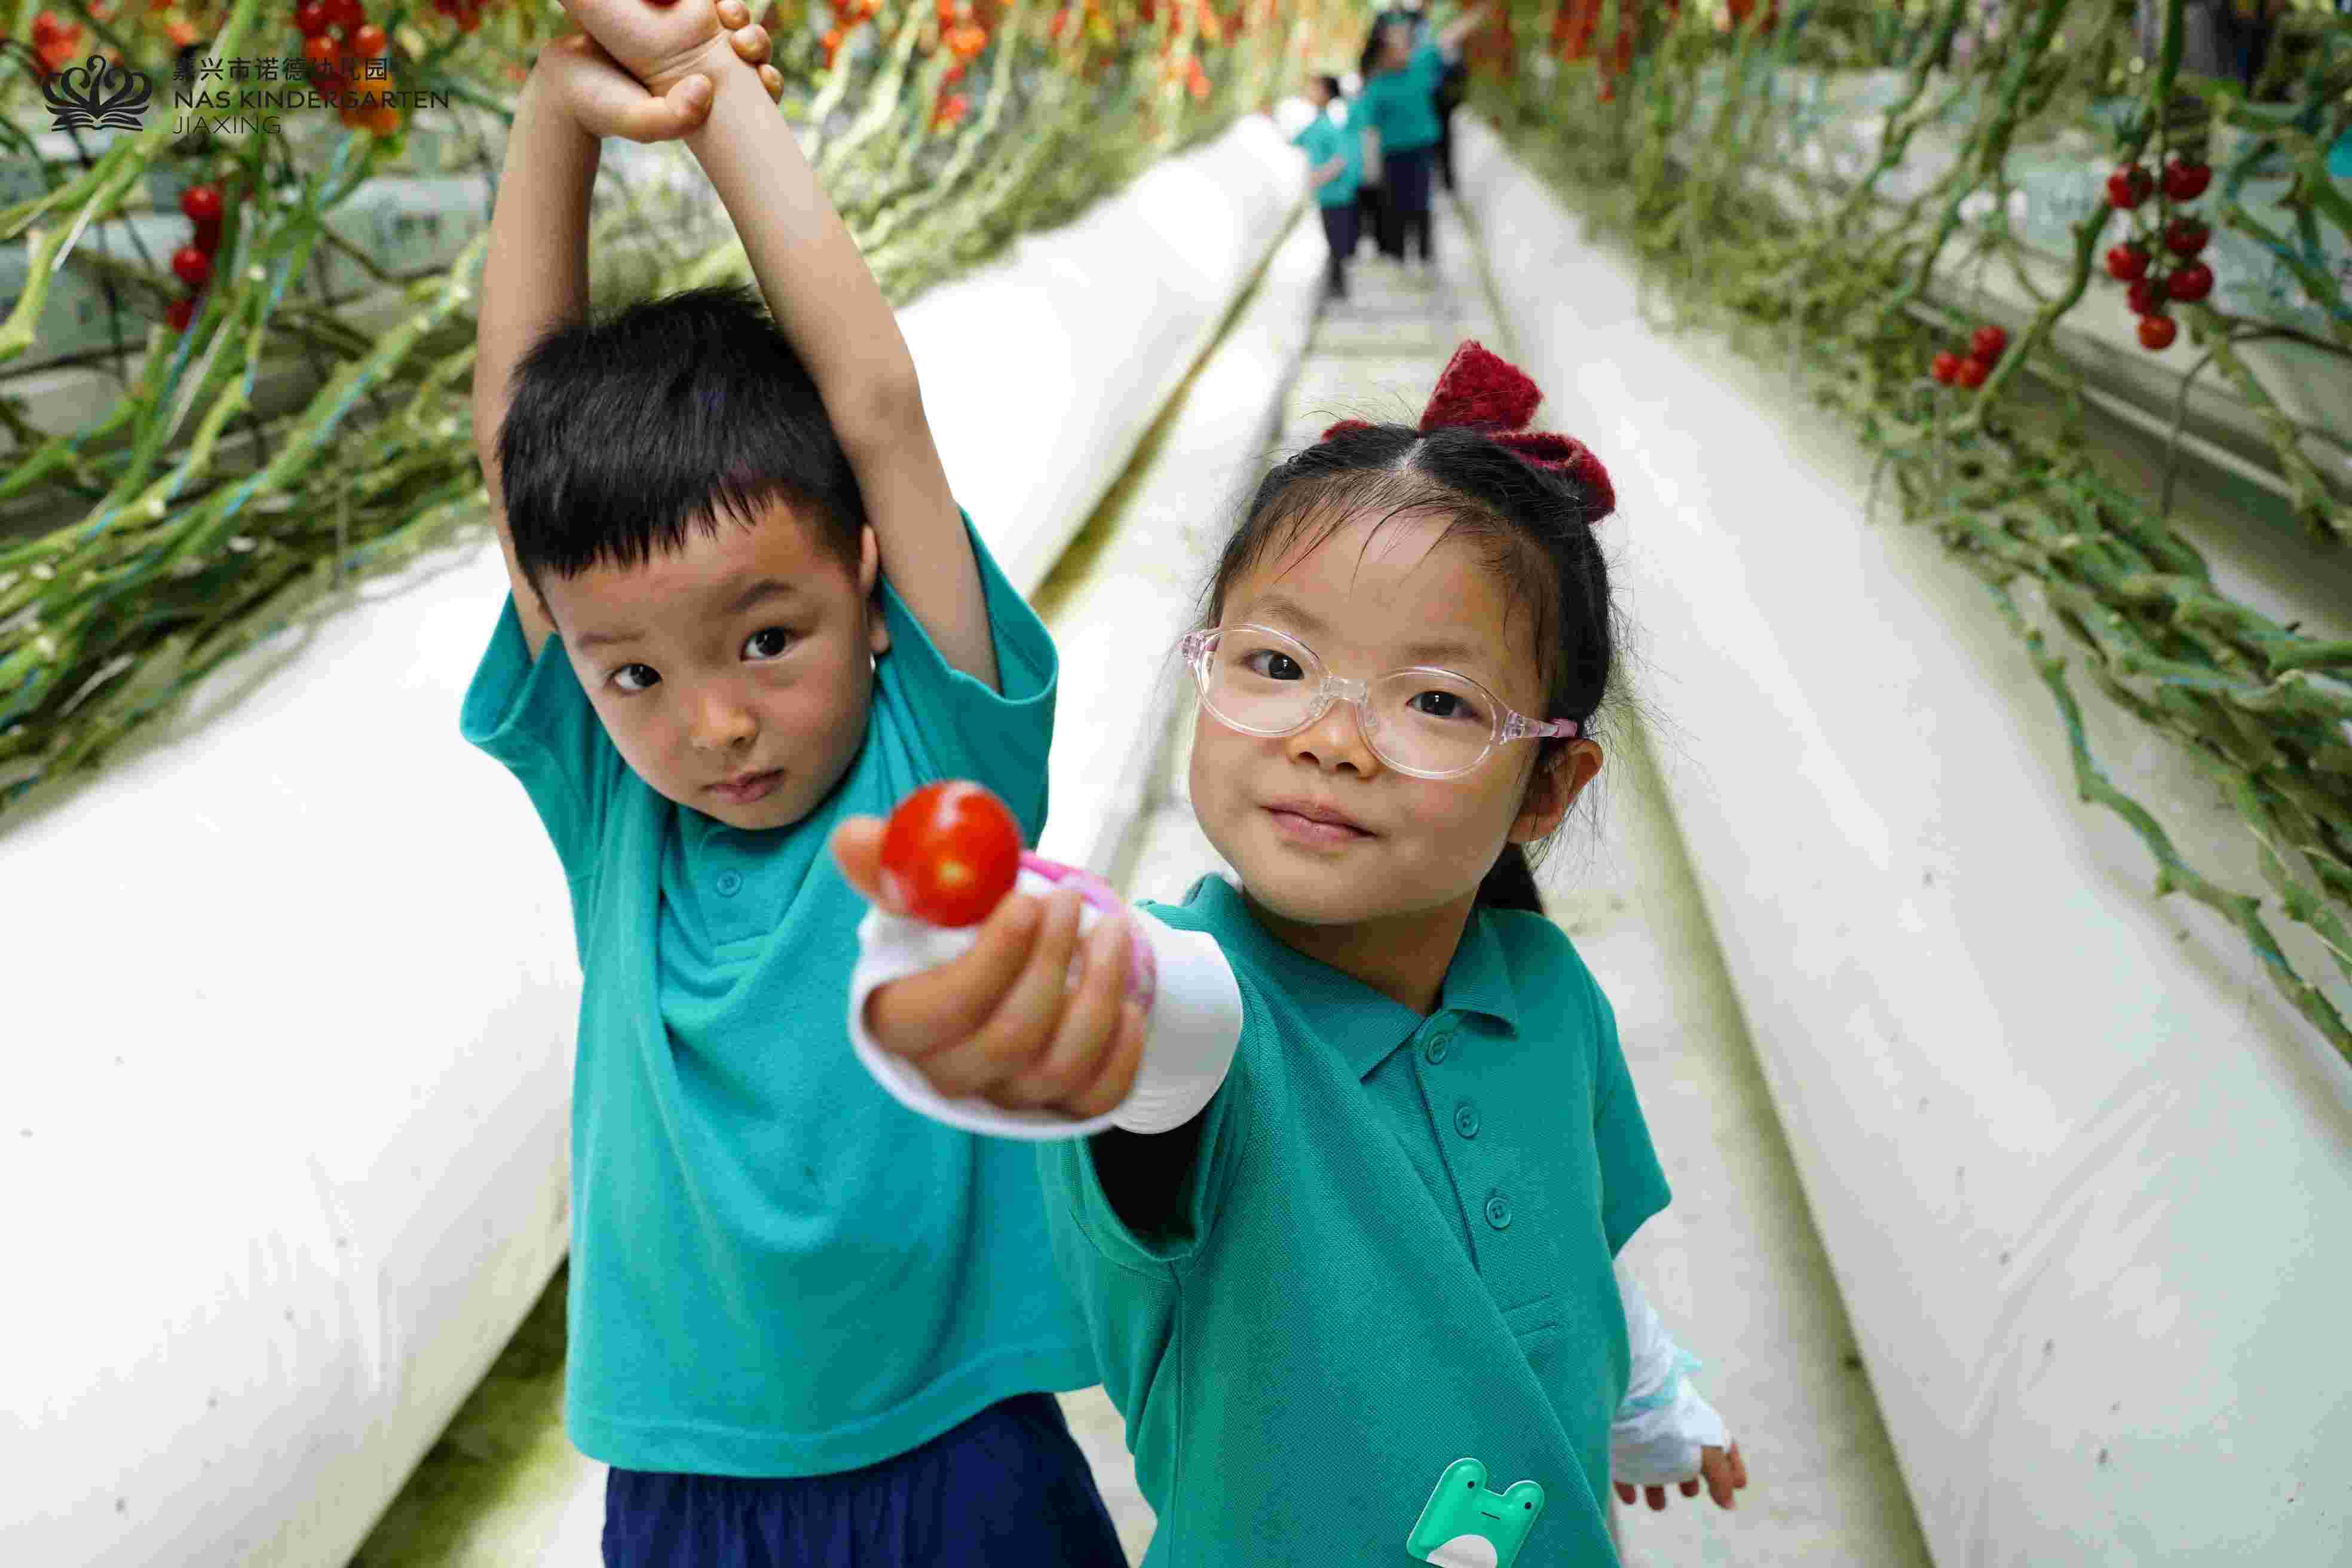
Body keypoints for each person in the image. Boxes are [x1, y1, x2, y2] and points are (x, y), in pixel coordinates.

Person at [830, 342, 1751, 1564]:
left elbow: (1571, 1258)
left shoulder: (1551, 1000)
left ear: (1549, 784)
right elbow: (1153, 1023)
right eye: (1276, 664)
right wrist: (1016, 978)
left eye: (1435, 700)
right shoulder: (1200, 1006)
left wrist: (1650, 1402)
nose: (1331, 736)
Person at [461, 1, 1125, 1562]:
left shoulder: (938, 759)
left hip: (963, 1444)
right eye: (635, 673)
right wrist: (560, 106)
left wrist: (708, 98)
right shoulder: (615, 807)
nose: (712, 725)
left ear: (874, 587)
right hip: (689, 1479)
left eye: (768, 638)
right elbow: (513, 447)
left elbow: (877, 403)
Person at [1356, 1, 1493, 270]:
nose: (1399, 50)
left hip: (1420, 146)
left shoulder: (1422, 61)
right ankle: (1397, 255)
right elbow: (1368, 126)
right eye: (1392, 45)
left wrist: (1482, 13)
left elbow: (1451, 35)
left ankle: (1425, 255)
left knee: (1421, 200)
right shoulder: (1377, 83)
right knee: (1395, 203)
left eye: (1402, 43)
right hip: (1393, 151)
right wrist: (1367, 165)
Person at [1291, 75, 1365, 301]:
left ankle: (1338, 288)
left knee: (1337, 244)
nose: (1309, 91)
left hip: (1337, 195)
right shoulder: (1315, 125)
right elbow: (1293, 142)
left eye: (1315, 88)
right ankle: (1334, 286)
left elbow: (1339, 161)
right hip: (1326, 197)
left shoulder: (1331, 125)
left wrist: (1316, 178)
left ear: (1326, 93)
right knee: (1331, 242)